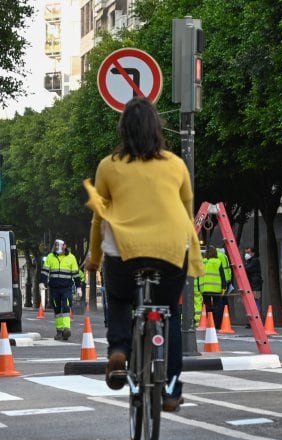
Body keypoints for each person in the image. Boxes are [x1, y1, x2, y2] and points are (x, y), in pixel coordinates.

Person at [83, 96, 204, 412]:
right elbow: (187, 213)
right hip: (170, 250)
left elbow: (98, 217)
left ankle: (119, 351)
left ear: (123, 130)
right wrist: (192, 258)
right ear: (157, 129)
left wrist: (94, 259)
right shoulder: (176, 165)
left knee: (121, 300)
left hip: (123, 253)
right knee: (172, 315)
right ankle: (172, 390)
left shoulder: (108, 166)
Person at [42, 239, 79, 340]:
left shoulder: (71, 258)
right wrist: (42, 282)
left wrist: (79, 286)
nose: (57, 247)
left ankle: (66, 329)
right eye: (56, 245)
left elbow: (76, 273)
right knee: (57, 309)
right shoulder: (50, 257)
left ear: (65, 246)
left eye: (59, 245)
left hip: (66, 287)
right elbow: (45, 271)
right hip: (54, 288)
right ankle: (59, 331)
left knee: (66, 307)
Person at [196, 245, 226, 321]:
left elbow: (199, 276)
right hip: (216, 289)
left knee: (207, 306)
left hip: (205, 288)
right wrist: (224, 287)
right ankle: (217, 324)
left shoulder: (202, 262)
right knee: (218, 306)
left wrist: (199, 287)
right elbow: (222, 276)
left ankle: (209, 323)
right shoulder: (218, 262)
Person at [244, 246, 263, 316]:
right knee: (252, 302)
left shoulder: (254, 260)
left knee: (256, 300)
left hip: (256, 285)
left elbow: (247, 269)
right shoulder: (249, 261)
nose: (246, 254)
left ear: (253, 253)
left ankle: (257, 318)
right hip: (252, 284)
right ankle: (253, 319)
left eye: (248, 252)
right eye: (246, 253)